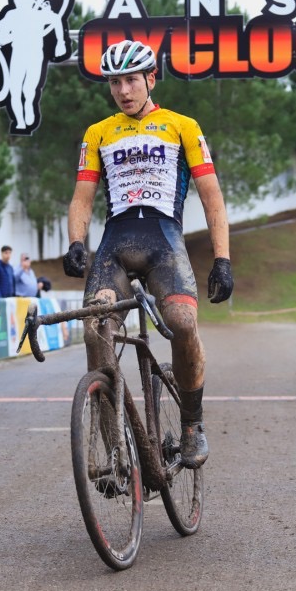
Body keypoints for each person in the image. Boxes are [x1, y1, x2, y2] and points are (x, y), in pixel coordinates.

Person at [63, 39, 233, 469]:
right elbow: (82, 197)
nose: (123, 90)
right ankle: (115, 451)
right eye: (114, 82)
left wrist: (222, 260)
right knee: (94, 330)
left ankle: (193, 424)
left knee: (180, 322)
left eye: (131, 80)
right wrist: (76, 243)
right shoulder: (98, 132)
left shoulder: (182, 125)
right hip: (116, 245)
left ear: (151, 78)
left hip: (164, 242)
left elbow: (212, 197)